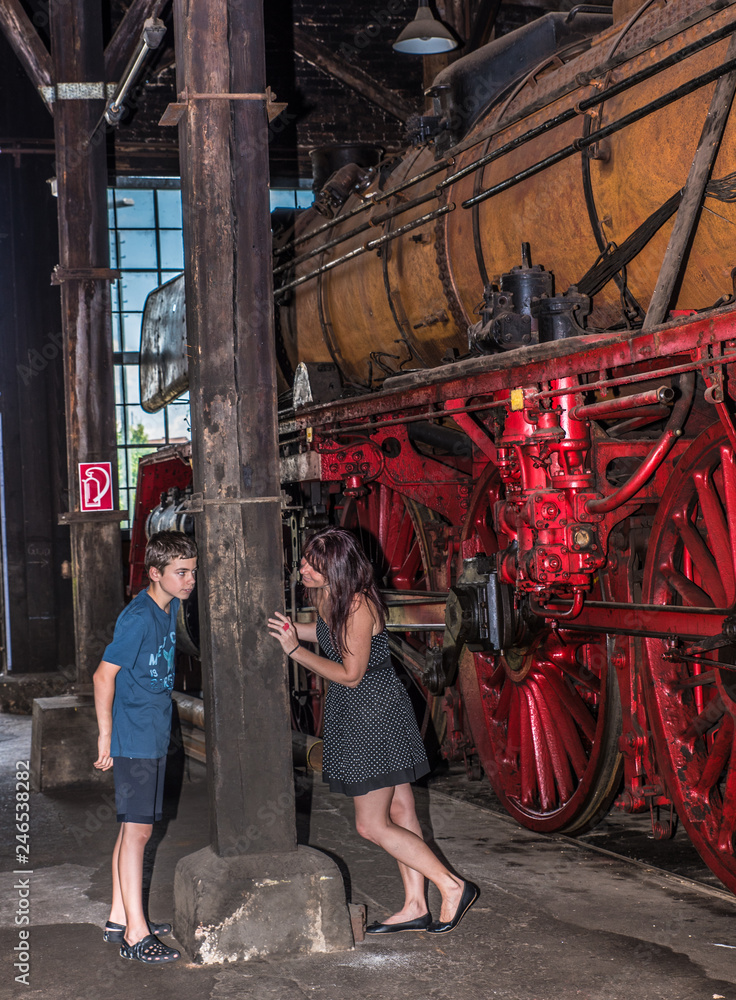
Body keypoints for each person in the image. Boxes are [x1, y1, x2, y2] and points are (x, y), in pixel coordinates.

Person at [268, 526, 478, 934]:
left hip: (372, 716)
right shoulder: (333, 597)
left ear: (336, 568)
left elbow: (349, 674)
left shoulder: (360, 604)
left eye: (313, 565)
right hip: (365, 712)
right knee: (401, 811)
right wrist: (292, 631)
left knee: (371, 825)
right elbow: (332, 636)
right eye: (305, 563)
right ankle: (416, 905)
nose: (303, 570)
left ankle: (452, 886)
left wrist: (295, 652)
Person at [93, 529, 198, 964]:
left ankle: (120, 917)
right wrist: (105, 737)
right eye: (181, 573)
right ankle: (136, 935)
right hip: (134, 735)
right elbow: (103, 676)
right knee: (138, 832)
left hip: (151, 729)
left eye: (192, 572)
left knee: (133, 829)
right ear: (155, 573)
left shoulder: (168, 604)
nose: (190, 580)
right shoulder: (139, 617)